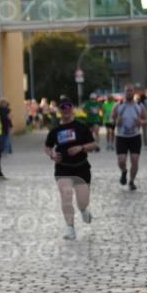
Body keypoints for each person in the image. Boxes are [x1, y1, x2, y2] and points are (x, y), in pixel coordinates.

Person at [44, 97, 98, 240]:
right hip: (63, 168)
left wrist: (81, 147)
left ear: (72, 109)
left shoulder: (81, 126)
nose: (66, 110)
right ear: (59, 111)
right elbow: (47, 147)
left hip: (81, 168)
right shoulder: (55, 129)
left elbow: (94, 145)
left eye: (68, 107)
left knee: (82, 201)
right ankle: (70, 228)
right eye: (63, 108)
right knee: (66, 197)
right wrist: (52, 154)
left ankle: (83, 210)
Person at [112, 85, 147, 190]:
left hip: (135, 137)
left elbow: (146, 120)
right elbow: (112, 118)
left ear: (134, 92)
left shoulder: (139, 106)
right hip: (121, 137)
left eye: (131, 91)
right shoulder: (118, 105)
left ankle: (131, 181)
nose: (129, 93)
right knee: (121, 161)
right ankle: (124, 171)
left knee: (135, 160)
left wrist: (141, 122)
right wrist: (116, 122)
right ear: (124, 92)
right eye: (127, 91)